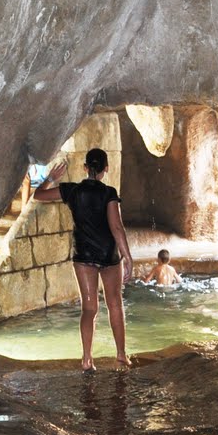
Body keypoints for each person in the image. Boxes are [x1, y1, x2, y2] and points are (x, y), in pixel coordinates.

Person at [32, 147, 133, 371]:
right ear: (106, 168)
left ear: (85, 167)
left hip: (83, 255)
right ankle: (121, 356)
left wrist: (50, 178)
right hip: (108, 255)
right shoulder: (109, 193)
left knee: (89, 308)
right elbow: (116, 227)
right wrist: (127, 257)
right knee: (115, 303)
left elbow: (38, 196)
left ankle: (87, 360)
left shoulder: (72, 190)